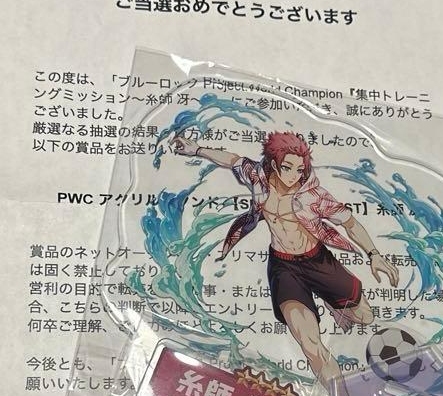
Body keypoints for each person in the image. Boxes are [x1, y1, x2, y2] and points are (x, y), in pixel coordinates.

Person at [170, 130, 400, 382]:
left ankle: (331, 304)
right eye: (287, 167)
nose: (293, 175)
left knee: (366, 317)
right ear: (273, 163)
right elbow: (232, 159)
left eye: (299, 170)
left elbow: (350, 223)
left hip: (317, 261)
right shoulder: (258, 177)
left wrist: (374, 254)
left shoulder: (314, 196)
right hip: (284, 268)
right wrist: (196, 150)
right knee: (311, 346)